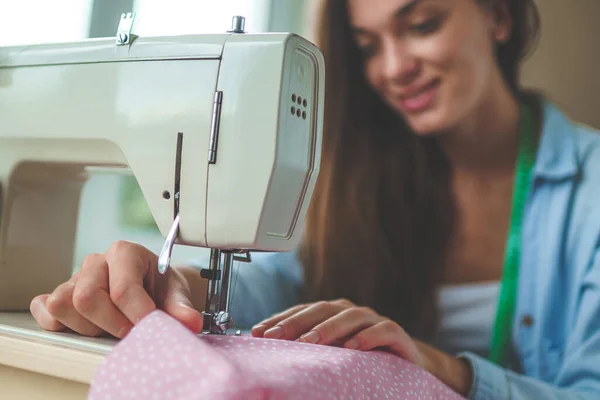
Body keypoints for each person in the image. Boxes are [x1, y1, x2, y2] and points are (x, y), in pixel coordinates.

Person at [29, 0, 600, 398]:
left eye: (422, 24)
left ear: (498, 14)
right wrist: (170, 282)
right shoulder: (360, 180)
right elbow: (276, 290)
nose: (394, 69)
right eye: (367, 46)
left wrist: (443, 368)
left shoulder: (590, 188)